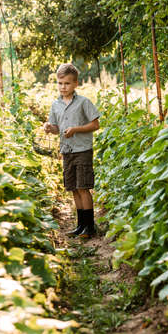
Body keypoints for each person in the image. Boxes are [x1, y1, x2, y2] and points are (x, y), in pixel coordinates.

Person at [43, 63, 100, 239]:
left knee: (83, 188)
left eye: (67, 83)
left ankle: (90, 226)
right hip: (67, 150)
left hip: (82, 149)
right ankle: (80, 225)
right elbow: (56, 128)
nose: (63, 87)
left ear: (75, 84)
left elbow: (95, 124)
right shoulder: (55, 105)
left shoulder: (83, 102)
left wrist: (76, 129)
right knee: (74, 188)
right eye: (60, 83)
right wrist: (48, 127)